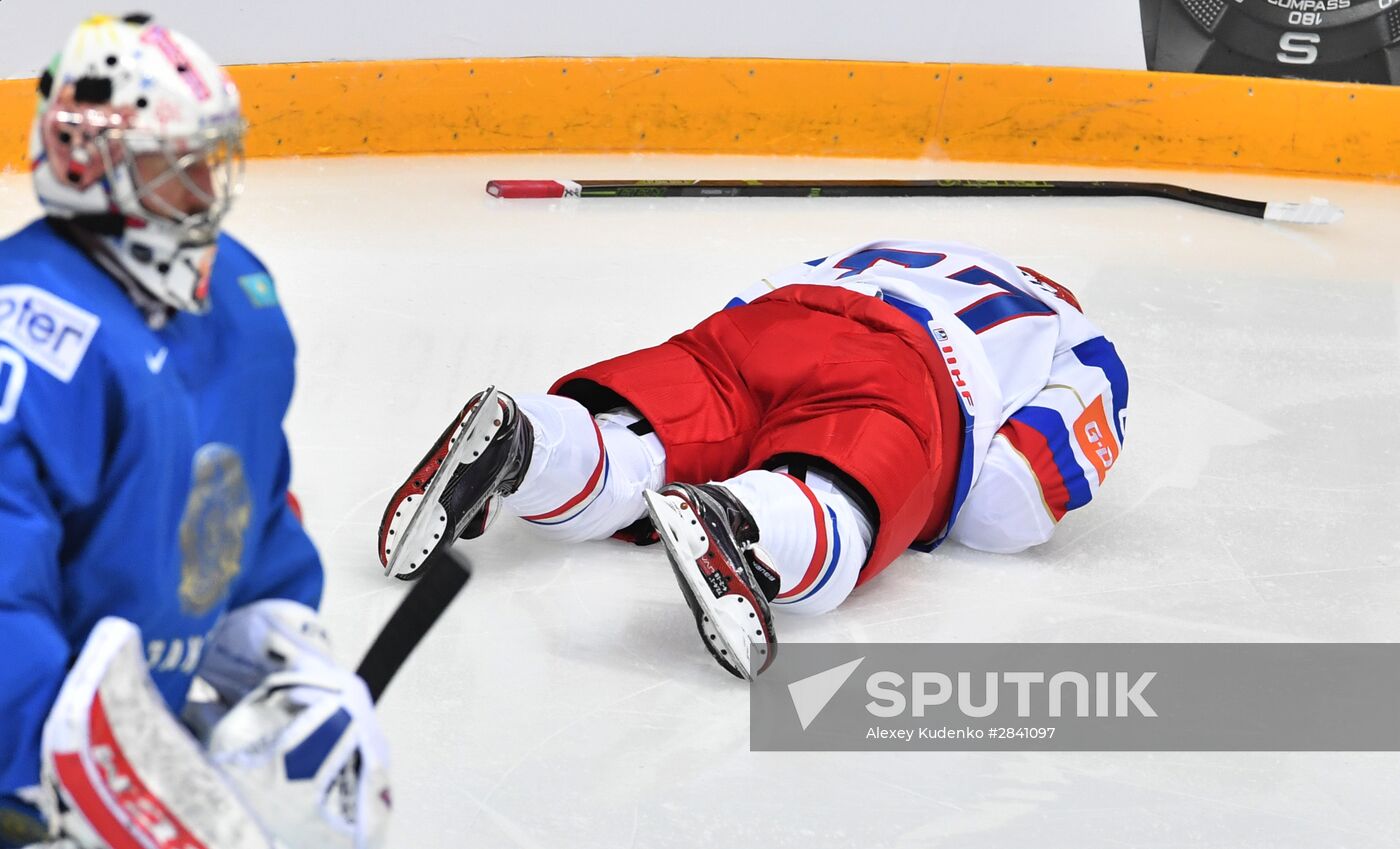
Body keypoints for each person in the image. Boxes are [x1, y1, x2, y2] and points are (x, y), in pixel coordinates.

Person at [381, 238, 1129, 680]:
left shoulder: (880, 247)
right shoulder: (1076, 334)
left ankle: (530, 441)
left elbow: (744, 307)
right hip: (905, 361)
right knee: (838, 501)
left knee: (639, 446)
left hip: (762, 324)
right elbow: (1014, 499)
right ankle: (742, 517)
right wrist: (927, 494)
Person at [0, 15, 388, 849]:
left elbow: (244, 502)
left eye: (210, 160)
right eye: (173, 166)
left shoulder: (238, 301)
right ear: (90, 164)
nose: (206, 190)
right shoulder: (27, 333)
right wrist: (50, 763)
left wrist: (282, 646)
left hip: (126, 759)